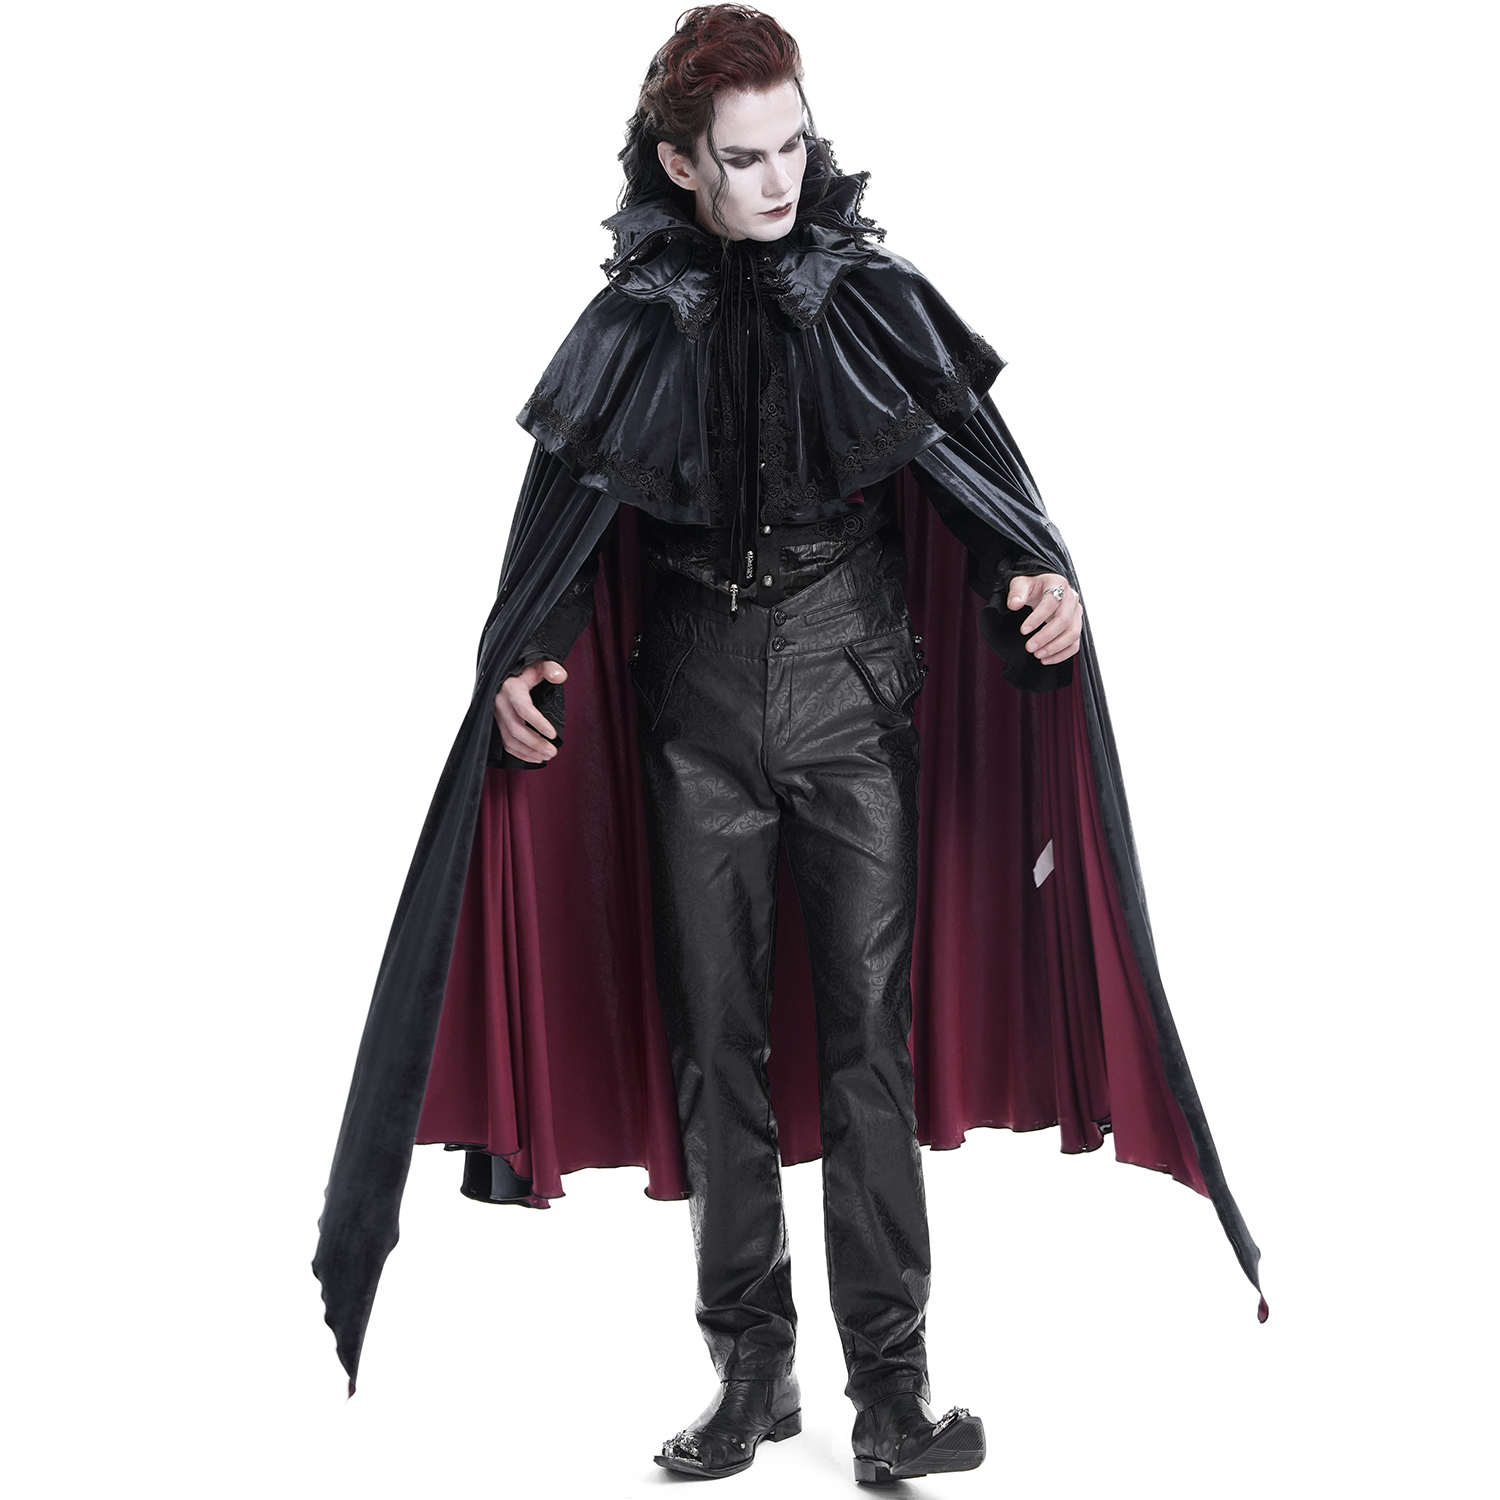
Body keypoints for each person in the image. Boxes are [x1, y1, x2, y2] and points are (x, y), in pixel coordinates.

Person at [314, 4, 1265, 1487]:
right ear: (681, 164)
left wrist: (1046, 582)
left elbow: (981, 486)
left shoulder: (870, 299)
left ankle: (893, 1393)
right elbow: (562, 527)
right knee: (714, 1046)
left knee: (872, 1043)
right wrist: (522, 660)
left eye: (793, 146)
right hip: (691, 713)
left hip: (851, 700)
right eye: (745, 156)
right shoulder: (632, 325)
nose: (777, 179)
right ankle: (751, 1371)